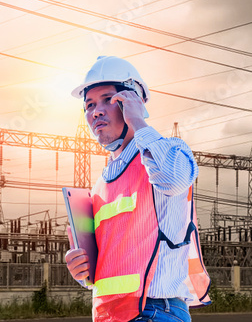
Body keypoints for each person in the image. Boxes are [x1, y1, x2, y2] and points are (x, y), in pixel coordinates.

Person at [65, 56, 211, 322]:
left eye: (108, 99)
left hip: (156, 311)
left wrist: (138, 122)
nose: (96, 111)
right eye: (89, 104)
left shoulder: (167, 153)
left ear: (133, 100)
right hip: (108, 315)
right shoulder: (101, 185)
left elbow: (175, 178)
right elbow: (111, 266)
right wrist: (82, 271)